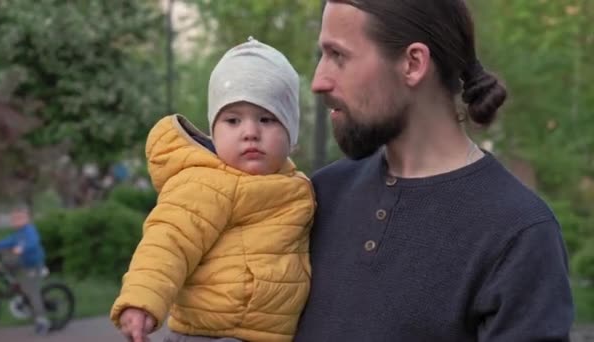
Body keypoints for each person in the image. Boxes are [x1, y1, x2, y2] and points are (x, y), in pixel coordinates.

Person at [294, 1, 574, 341]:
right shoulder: (318, 196)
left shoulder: (518, 233)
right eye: (321, 56)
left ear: (413, 63)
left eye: (338, 55)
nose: (319, 81)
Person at [110, 37, 315, 342]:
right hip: (211, 333)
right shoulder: (206, 182)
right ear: (214, 131)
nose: (250, 133)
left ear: (292, 135)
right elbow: (169, 241)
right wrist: (142, 301)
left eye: (267, 119)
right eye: (233, 120)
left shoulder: (298, 188)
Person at [0, 206, 50, 335]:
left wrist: (22, 248)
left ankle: (42, 321)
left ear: (27, 219)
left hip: (33, 265)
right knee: (3, 265)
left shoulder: (30, 230)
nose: (16, 220)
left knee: (32, 291)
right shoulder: (17, 233)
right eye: (14, 218)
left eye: (19, 218)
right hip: (21, 263)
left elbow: (32, 242)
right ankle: (14, 287)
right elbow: (7, 242)